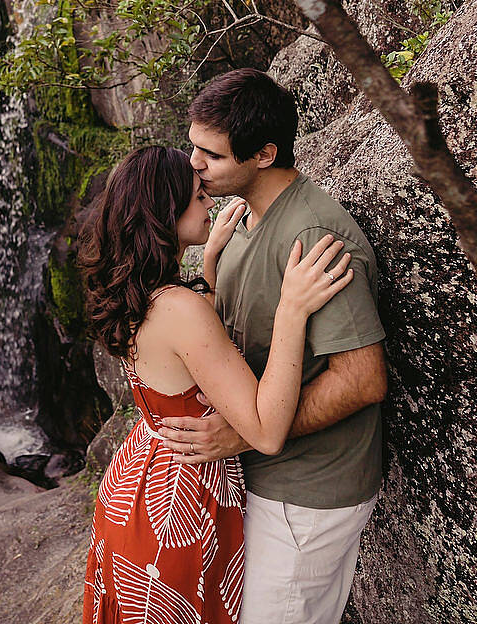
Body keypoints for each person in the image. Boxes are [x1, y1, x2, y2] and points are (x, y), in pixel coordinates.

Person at [81, 144, 355, 624]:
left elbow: (185, 355)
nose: (210, 204)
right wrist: (292, 311)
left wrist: (207, 266)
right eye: (196, 198)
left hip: (138, 486)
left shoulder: (142, 292)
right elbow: (266, 432)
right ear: (166, 213)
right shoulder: (177, 309)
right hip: (176, 507)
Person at [160, 68, 388, 624]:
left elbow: (362, 379)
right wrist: (211, 267)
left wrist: (244, 434)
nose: (194, 165)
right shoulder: (241, 217)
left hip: (307, 493)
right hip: (264, 478)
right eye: (193, 147)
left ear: (263, 155)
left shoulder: (312, 237)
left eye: (210, 156)